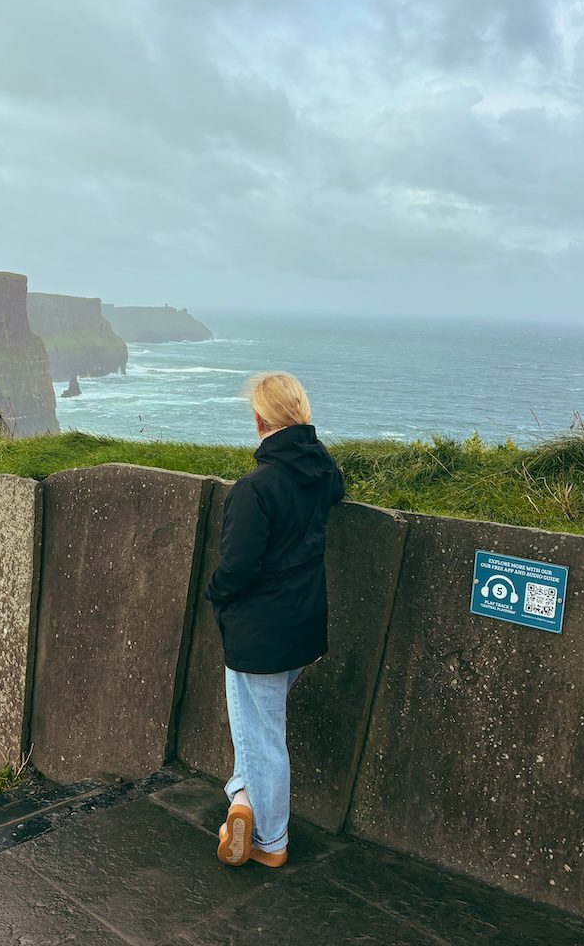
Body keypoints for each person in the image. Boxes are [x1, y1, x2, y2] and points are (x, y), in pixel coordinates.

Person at [204, 371, 345, 868]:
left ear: (259, 419)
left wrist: (214, 594)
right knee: (256, 728)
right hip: (303, 628)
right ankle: (241, 801)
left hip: (258, 634)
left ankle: (270, 842)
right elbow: (335, 490)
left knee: (262, 738)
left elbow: (237, 568)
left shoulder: (254, 488)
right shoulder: (322, 470)